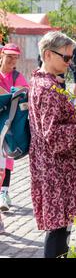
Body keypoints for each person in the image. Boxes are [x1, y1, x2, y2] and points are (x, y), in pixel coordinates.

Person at [29, 31, 76, 258]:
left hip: (53, 168)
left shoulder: (41, 81)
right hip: (57, 171)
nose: (70, 63)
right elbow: (52, 135)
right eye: (67, 58)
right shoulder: (48, 89)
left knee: (63, 226)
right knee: (59, 229)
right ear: (48, 55)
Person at [0, 44, 29, 212]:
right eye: (9, 56)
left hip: (8, 123)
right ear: (2, 54)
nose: (12, 60)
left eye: (16, 57)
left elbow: (24, 90)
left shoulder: (17, 75)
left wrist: (16, 92)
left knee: (7, 157)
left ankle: (4, 193)